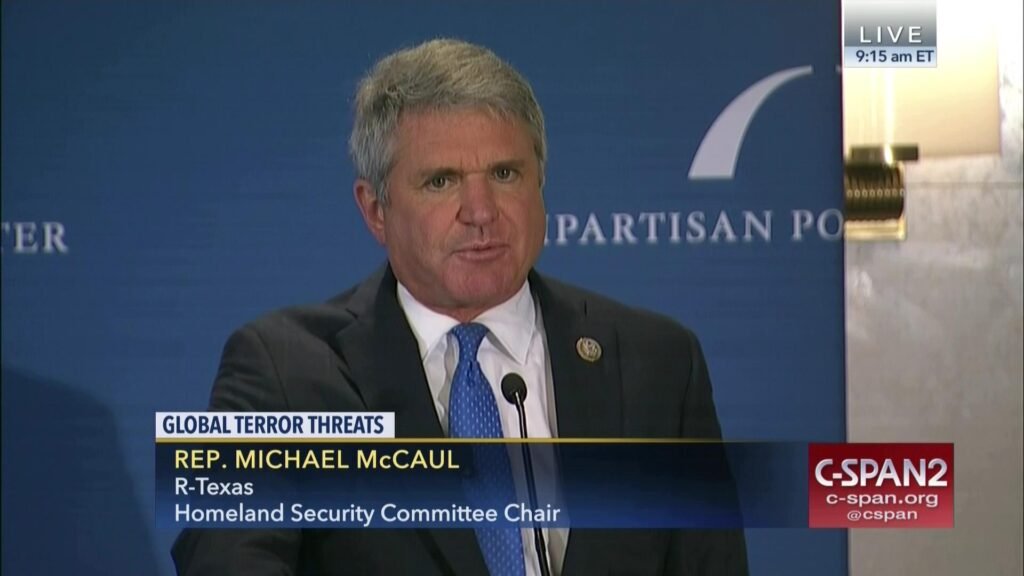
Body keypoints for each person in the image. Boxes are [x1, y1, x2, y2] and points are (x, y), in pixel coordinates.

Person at [172, 38, 748, 576]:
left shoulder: (657, 363)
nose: (481, 211)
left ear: (541, 183)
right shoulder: (285, 373)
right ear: (375, 210)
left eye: (505, 173)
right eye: (441, 181)